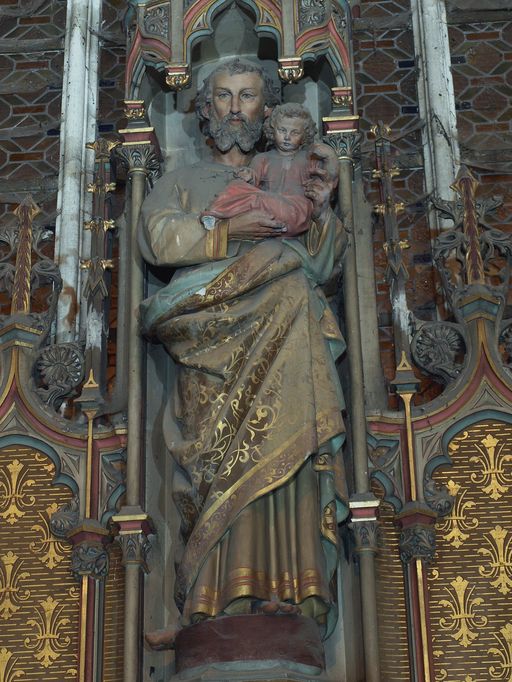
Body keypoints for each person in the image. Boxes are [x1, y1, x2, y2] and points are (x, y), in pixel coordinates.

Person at [139, 57, 348, 650]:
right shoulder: (183, 179)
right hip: (210, 339)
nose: (235, 109)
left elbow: (325, 262)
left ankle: (293, 591)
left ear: (268, 109)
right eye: (224, 97)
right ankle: (206, 601)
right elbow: (156, 236)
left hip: (284, 333)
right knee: (212, 462)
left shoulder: (293, 172)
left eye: (248, 97)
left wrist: (324, 205)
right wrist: (227, 236)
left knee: (284, 457)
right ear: (205, 110)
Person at [203, 102, 339, 235]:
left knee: (257, 199)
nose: (287, 137)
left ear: (304, 135)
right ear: (272, 131)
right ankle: (212, 215)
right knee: (236, 185)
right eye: (282, 130)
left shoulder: (309, 159)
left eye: (295, 133)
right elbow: (253, 178)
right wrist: (248, 175)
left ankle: (221, 215)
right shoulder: (262, 159)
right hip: (269, 205)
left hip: (296, 210)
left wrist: (331, 157)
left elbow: (328, 181)